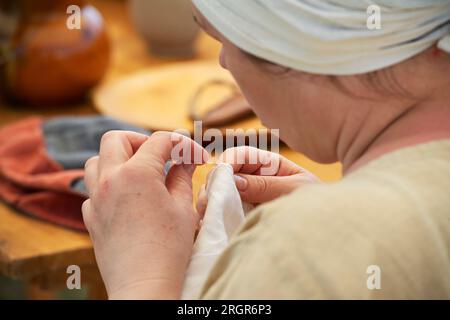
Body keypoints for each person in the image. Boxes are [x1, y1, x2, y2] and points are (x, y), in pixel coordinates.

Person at [82, 1, 450, 299]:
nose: (223, 62)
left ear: (289, 46)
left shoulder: (298, 254)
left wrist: (141, 278)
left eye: (222, 38)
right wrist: (338, 221)